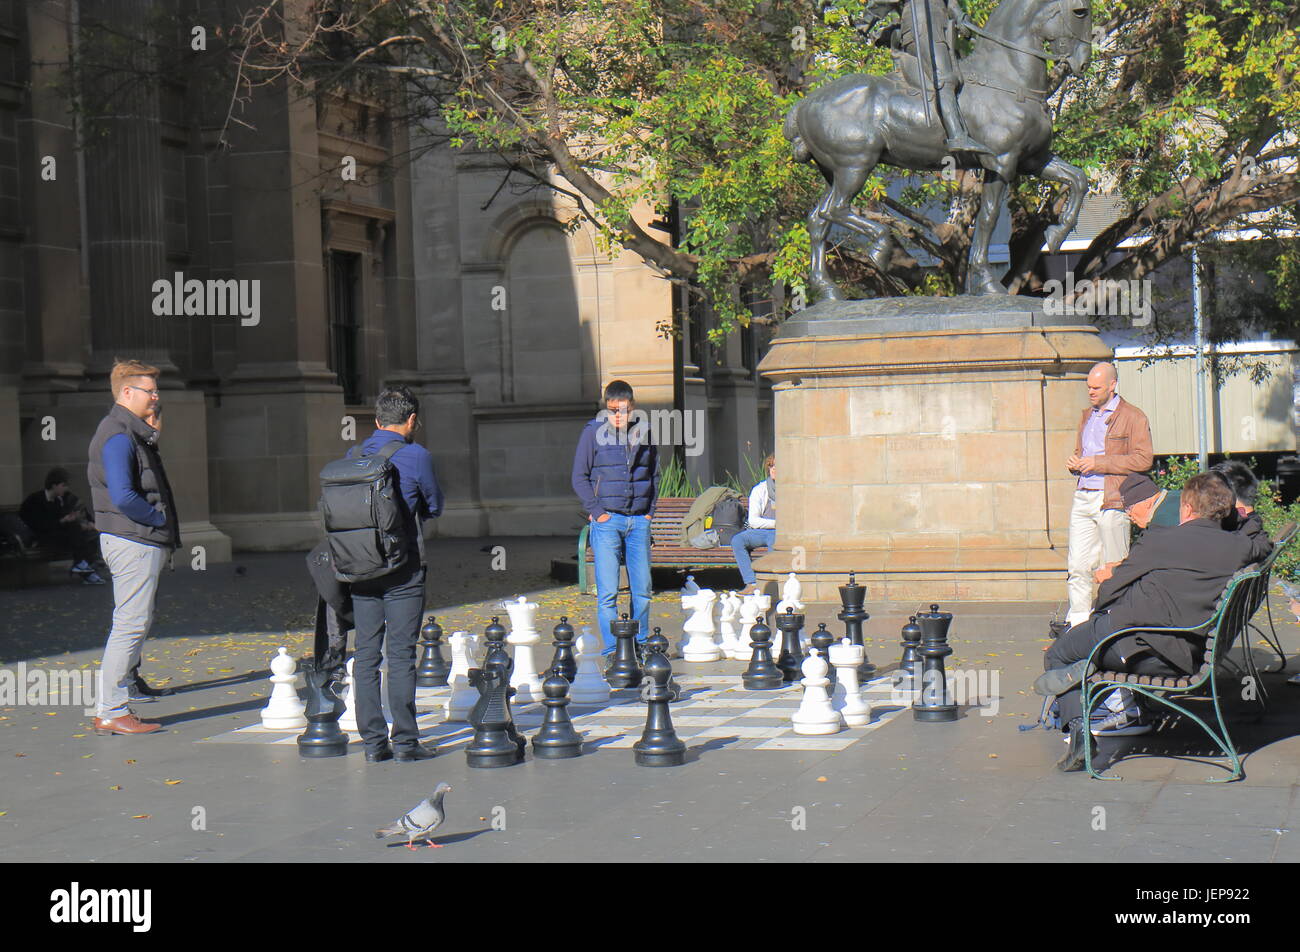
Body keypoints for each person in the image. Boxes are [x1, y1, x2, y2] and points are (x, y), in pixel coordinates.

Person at [1038, 473, 1255, 771]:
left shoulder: (1162, 538)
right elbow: (1260, 539)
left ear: (1188, 509)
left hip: (1140, 647)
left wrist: (1103, 603)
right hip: (1192, 653)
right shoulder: (1240, 547)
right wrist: (1246, 516)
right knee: (1085, 644)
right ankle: (1090, 672)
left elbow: (1112, 590)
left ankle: (1079, 730)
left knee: (1059, 652)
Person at [349, 387, 443, 763]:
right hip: (403, 567)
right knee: (401, 654)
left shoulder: (352, 455)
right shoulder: (416, 455)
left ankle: (373, 744)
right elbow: (434, 505)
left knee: (367, 654)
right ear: (412, 421)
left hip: (359, 568)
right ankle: (405, 742)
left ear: (375, 421)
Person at [88, 360, 181, 735]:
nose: (156, 397)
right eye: (150, 391)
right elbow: (125, 496)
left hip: (135, 539)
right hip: (133, 539)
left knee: (133, 622)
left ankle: (115, 702)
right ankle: (111, 708)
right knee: (130, 624)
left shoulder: (128, 432)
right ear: (127, 392)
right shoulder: (117, 434)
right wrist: (158, 520)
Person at [571, 380, 659, 655]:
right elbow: (579, 477)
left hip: (638, 522)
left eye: (622, 409)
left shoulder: (645, 433)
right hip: (607, 521)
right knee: (608, 592)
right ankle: (613, 651)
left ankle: (641, 644)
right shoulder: (592, 433)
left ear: (632, 407)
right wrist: (598, 513)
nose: (617, 415)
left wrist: (648, 514)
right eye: (611, 410)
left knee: (642, 589)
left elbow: (654, 474)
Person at [1064, 362, 1153, 627]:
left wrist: (1097, 463)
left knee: (1113, 566)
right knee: (1078, 566)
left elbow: (1143, 459)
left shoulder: (1133, 416)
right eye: (1088, 387)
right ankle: (1078, 622)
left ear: (1112, 385)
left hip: (1112, 498)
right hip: (1083, 495)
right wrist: (1076, 462)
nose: (1090, 392)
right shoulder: (1087, 416)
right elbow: (1086, 454)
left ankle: (1114, 621)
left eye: (1096, 387)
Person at [856, 0, 993, 154]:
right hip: (921, 28)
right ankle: (957, 136)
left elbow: (950, 2)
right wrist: (865, 21)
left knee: (961, 77)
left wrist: (961, 17)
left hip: (942, 28)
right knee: (944, 78)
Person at [20, 467, 104, 584]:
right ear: (54, 486)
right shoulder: (35, 500)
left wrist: (75, 520)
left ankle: (84, 565)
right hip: (40, 537)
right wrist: (63, 521)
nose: (66, 488)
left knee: (82, 531)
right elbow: (38, 524)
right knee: (76, 531)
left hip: (60, 534)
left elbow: (68, 516)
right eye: (63, 485)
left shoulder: (60, 500)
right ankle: (87, 564)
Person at [732, 455, 776, 595]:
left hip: (781, 533)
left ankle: (772, 583)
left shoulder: (791, 489)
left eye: (778, 466)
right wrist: (778, 523)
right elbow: (754, 521)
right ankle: (751, 583)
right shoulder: (759, 490)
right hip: (762, 530)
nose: (774, 469)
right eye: (771, 466)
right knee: (738, 540)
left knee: (776, 542)